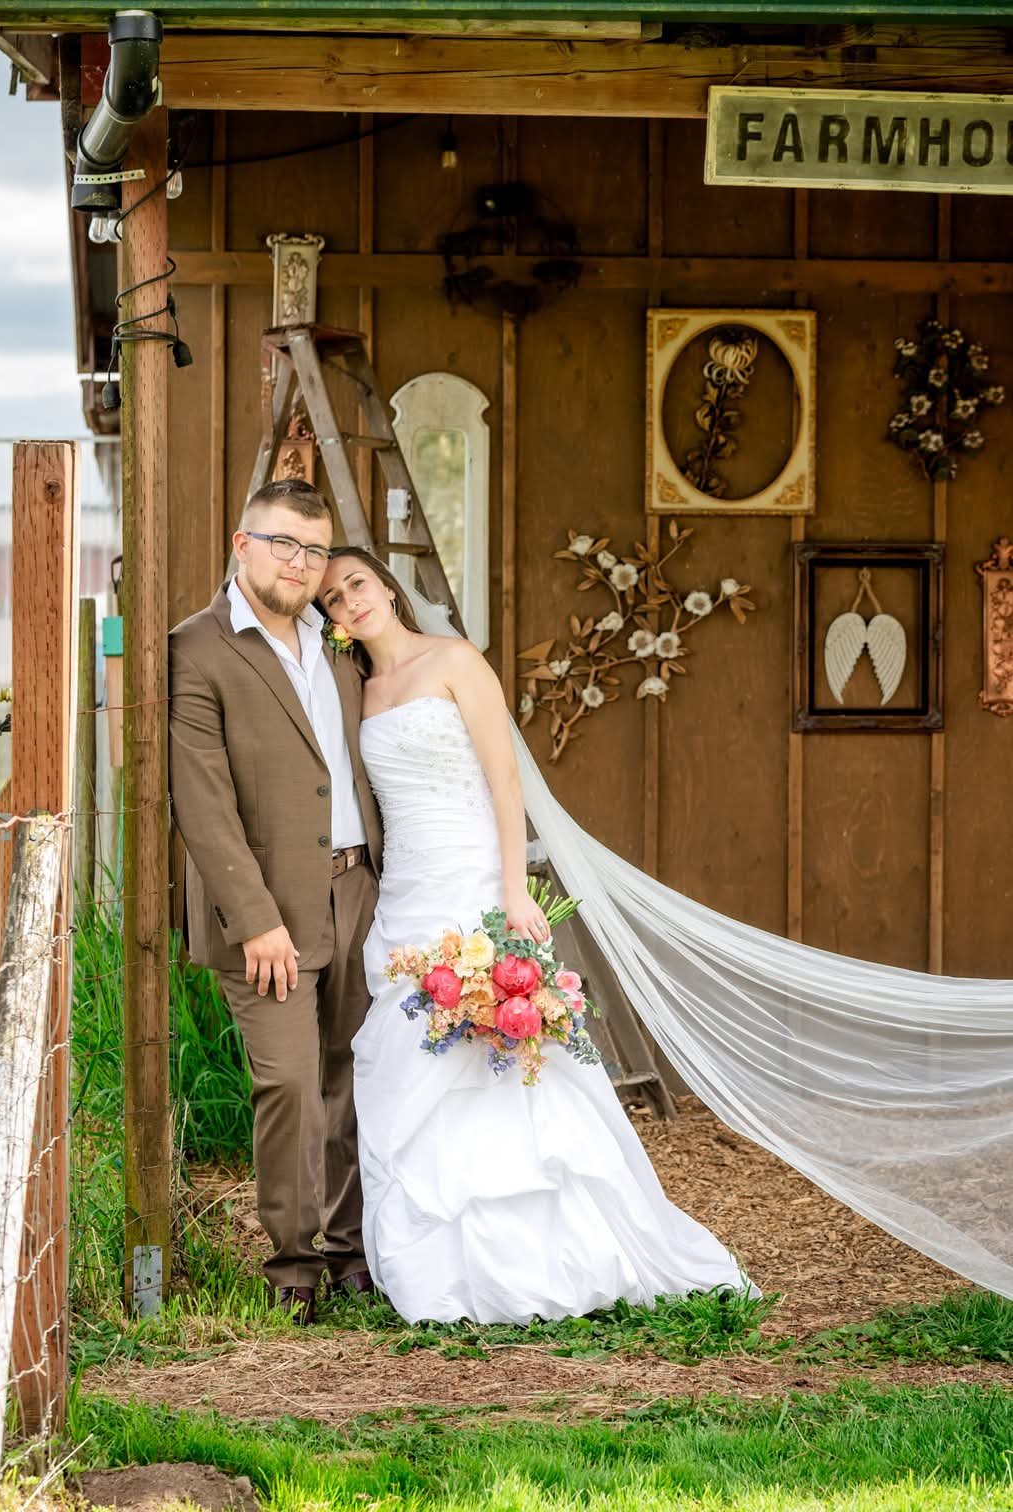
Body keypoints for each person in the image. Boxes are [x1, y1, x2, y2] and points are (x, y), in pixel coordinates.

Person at [319, 548, 753, 1324]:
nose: (349, 602)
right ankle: (442, 1263)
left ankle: (561, 1248)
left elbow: (504, 778)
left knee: (509, 1058)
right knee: (416, 1054)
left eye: (357, 584)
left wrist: (514, 891)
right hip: (408, 895)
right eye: (333, 600)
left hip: (476, 878)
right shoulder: (358, 689)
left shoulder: (453, 660)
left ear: (385, 585)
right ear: (333, 624)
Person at [169, 480, 383, 1324]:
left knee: (350, 1075)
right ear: (241, 543)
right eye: (284, 544)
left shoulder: (338, 646)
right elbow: (202, 799)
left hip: (359, 888)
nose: (301, 564)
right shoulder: (199, 647)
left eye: (315, 550)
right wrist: (255, 919)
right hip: (269, 911)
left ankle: (350, 1248)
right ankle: (293, 1263)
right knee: (290, 1083)